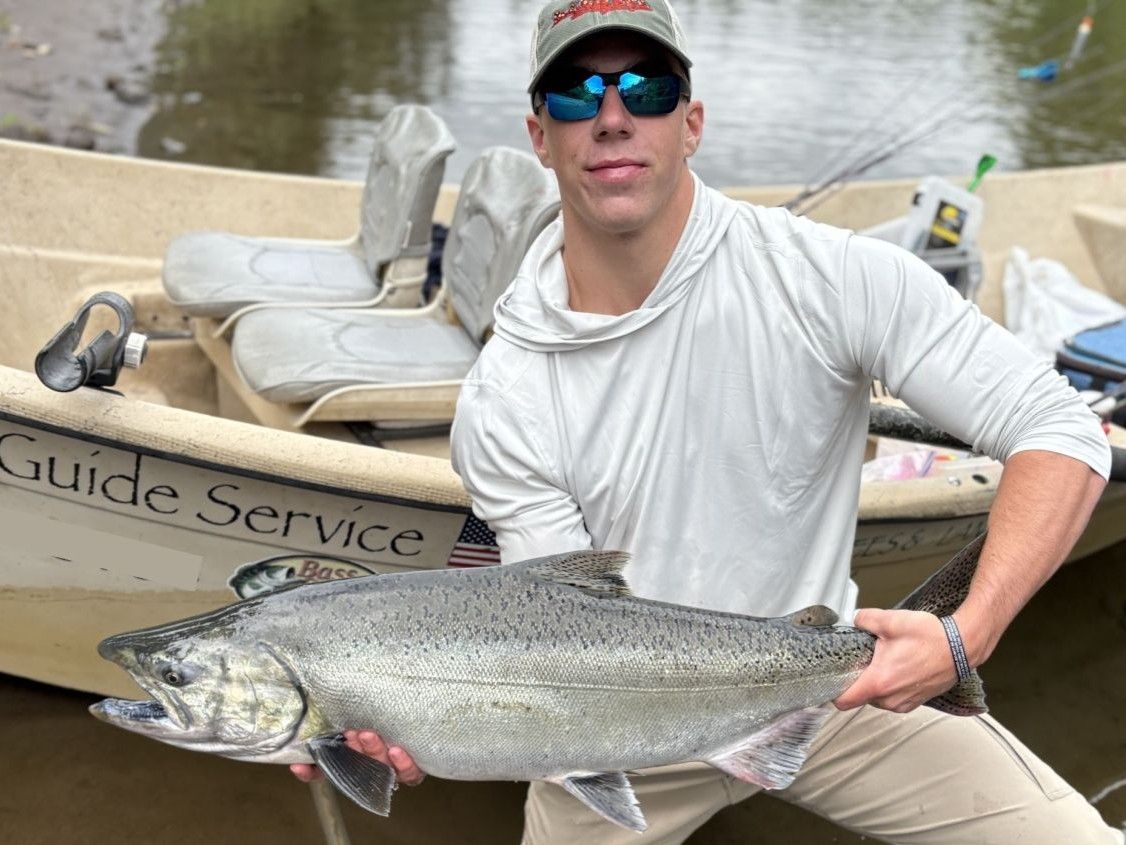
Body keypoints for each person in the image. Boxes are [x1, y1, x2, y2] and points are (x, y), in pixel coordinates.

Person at [295, 1, 1123, 842]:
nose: (612, 117)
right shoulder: (506, 392)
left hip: (832, 687)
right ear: (540, 136)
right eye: (578, 95)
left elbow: (1062, 430)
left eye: (645, 89)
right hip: (610, 725)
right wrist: (416, 718)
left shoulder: (830, 277)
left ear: (690, 123)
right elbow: (553, 624)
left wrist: (963, 634)